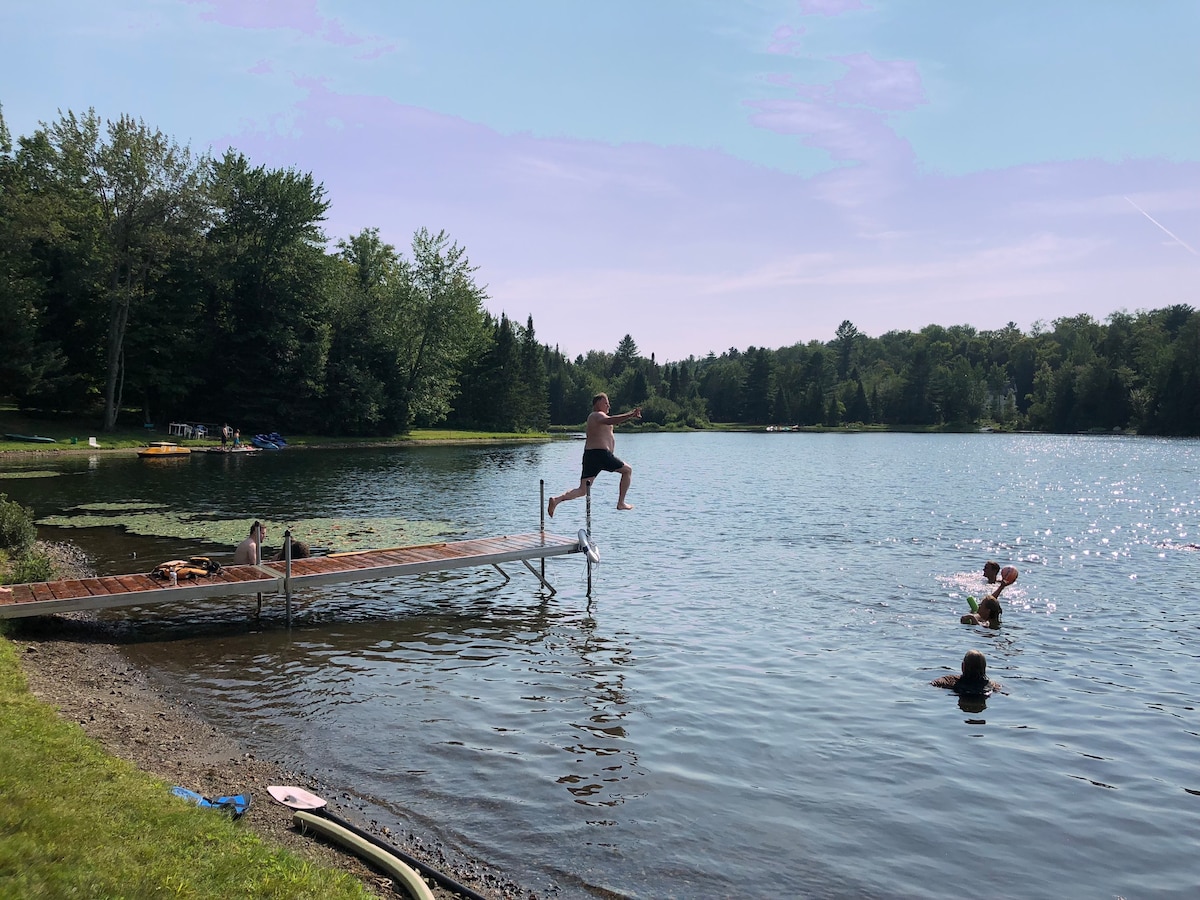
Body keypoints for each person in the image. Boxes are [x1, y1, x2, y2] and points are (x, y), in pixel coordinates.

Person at [548, 393, 641, 517]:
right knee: (627, 470)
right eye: (606, 402)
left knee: (582, 490)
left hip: (591, 456)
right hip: (600, 454)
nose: (609, 405)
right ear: (597, 403)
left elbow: (610, 423)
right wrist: (631, 414)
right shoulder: (596, 415)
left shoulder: (597, 418)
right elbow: (612, 420)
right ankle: (621, 503)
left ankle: (556, 500)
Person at [931, 649, 1001, 696]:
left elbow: (932, 686)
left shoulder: (949, 681)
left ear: (963, 666)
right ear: (984, 668)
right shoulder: (993, 685)